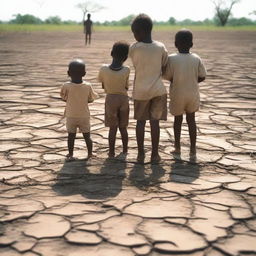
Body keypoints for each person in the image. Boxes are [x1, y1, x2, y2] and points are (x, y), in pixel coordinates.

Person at [129, 14, 168, 163]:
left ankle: (140, 154)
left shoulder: (134, 48)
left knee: (140, 122)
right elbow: (164, 65)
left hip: (140, 92)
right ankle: (155, 155)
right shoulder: (160, 47)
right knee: (155, 123)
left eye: (135, 33)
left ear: (141, 32)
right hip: (158, 91)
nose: (134, 36)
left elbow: (135, 61)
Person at [163, 29, 206, 159]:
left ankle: (177, 147)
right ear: (191, 44)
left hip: (177, 94)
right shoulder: (196, 58)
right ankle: (193, 149)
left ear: (176, 44)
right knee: (191, 120)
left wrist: (176, 80)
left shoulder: (171, 58)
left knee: (178, 120)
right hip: (192, 94)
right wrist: (192, 80)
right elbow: (202, 76)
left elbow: (167, 76)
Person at [60, 59, 98, 161]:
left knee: (71, 136)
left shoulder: (66, 86)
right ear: (84, 73)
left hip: (71, 115)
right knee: (87, 136)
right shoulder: (88, 86)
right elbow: (90, 99)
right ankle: (90, 153)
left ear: (68, 73)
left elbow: (63, 97)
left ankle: (71, 154)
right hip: (84, 116)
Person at [98, 41, 130, 158]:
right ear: (126, 57)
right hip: (123, 99)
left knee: (113, 128)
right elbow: (126, 86)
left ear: (111, 53)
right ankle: (125, 150)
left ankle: (111, 152)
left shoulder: (103, 69)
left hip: (110, 98)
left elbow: (103, 85)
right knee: (123, 127)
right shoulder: (127, 69)